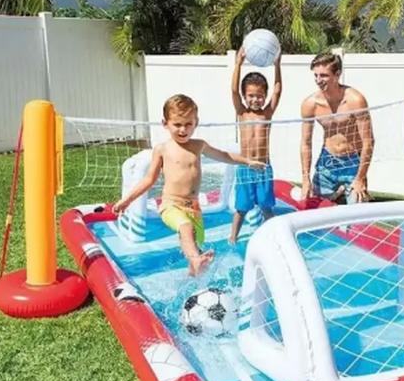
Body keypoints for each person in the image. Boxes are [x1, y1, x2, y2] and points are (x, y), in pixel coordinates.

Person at [113, 94, 265, 276]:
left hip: (194, 208)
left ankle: (192, 280)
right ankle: (195, 260)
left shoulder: (199, 145)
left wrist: (247, 161)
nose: (183, 129)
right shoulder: (162, 149)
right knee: (186, 228)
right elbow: (149, 180)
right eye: (177, 124)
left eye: (188, 124)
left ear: (196, 122)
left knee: (197, 250)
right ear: (165, 123)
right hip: (171, 205)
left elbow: (224, 156)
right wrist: (126, 200)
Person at [299, 52, 375, 203]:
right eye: (316, 75)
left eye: (324, 75)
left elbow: (369, 142)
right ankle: (336, 194)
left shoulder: (355, 100)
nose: (318, 80)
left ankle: (344, 193)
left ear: (337, 74)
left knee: (357, 211)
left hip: (352, 162)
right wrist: (305, 178)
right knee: (316, 209)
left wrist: (361, 178)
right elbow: (305, 143)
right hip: (327, 162)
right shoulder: (310, 104)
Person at [228, 46, 282, 244]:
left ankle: (277, 237)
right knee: (241, 208)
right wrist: (238, 63)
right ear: (245, 96)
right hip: (245, 168)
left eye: (259, 95)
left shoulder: (266, 114)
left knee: (266, 207)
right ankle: (233, 237)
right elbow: (234, 90)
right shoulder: (242, 113)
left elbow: (278, 91)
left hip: (264, 168)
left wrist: (277, 65)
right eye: (250, 95)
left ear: (264, 96)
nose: (255, 99)